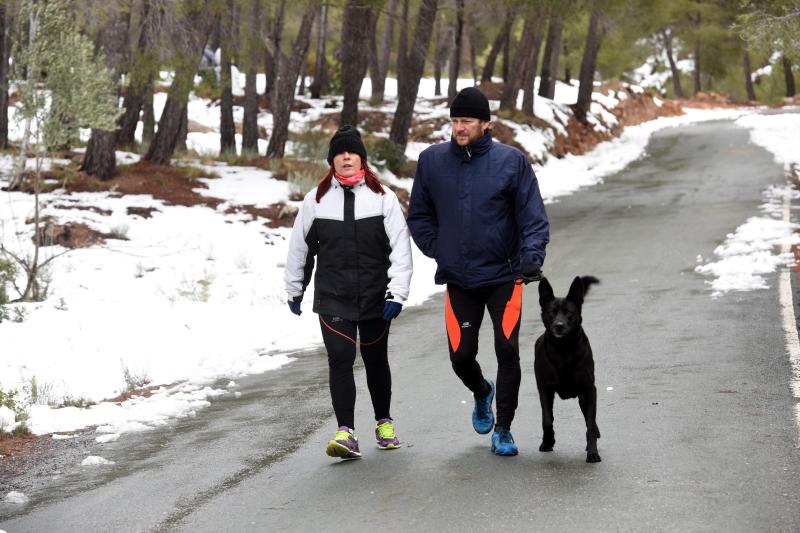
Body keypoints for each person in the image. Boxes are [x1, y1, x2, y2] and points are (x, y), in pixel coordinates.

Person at [407, 86, 549, 457]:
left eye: (466, 121)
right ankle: (482, 391)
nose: (459, 128)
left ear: (486, 124)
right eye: (454, 121)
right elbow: (419, 215)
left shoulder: (511, 162)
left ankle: (503, 429)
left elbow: (532, 215)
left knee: (507, 351)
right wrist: (440, 250)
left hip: (505, 275)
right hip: (460, 279)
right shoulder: (432, 162)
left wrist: (531, 255)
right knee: (460, 356)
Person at [284, 125, 413, 460]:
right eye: (340, 153)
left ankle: (384, 422)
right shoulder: (315, 201)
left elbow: (401, 249)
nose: (346, 157)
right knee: (340, 358)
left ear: (362, 159)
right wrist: (295, 289)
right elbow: (300, 249)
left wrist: (397, 293)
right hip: (333, 296)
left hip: (375, 297)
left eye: (352, 152)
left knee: (374, 359)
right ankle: (345, 432)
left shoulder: (383, 199)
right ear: (332, 161)